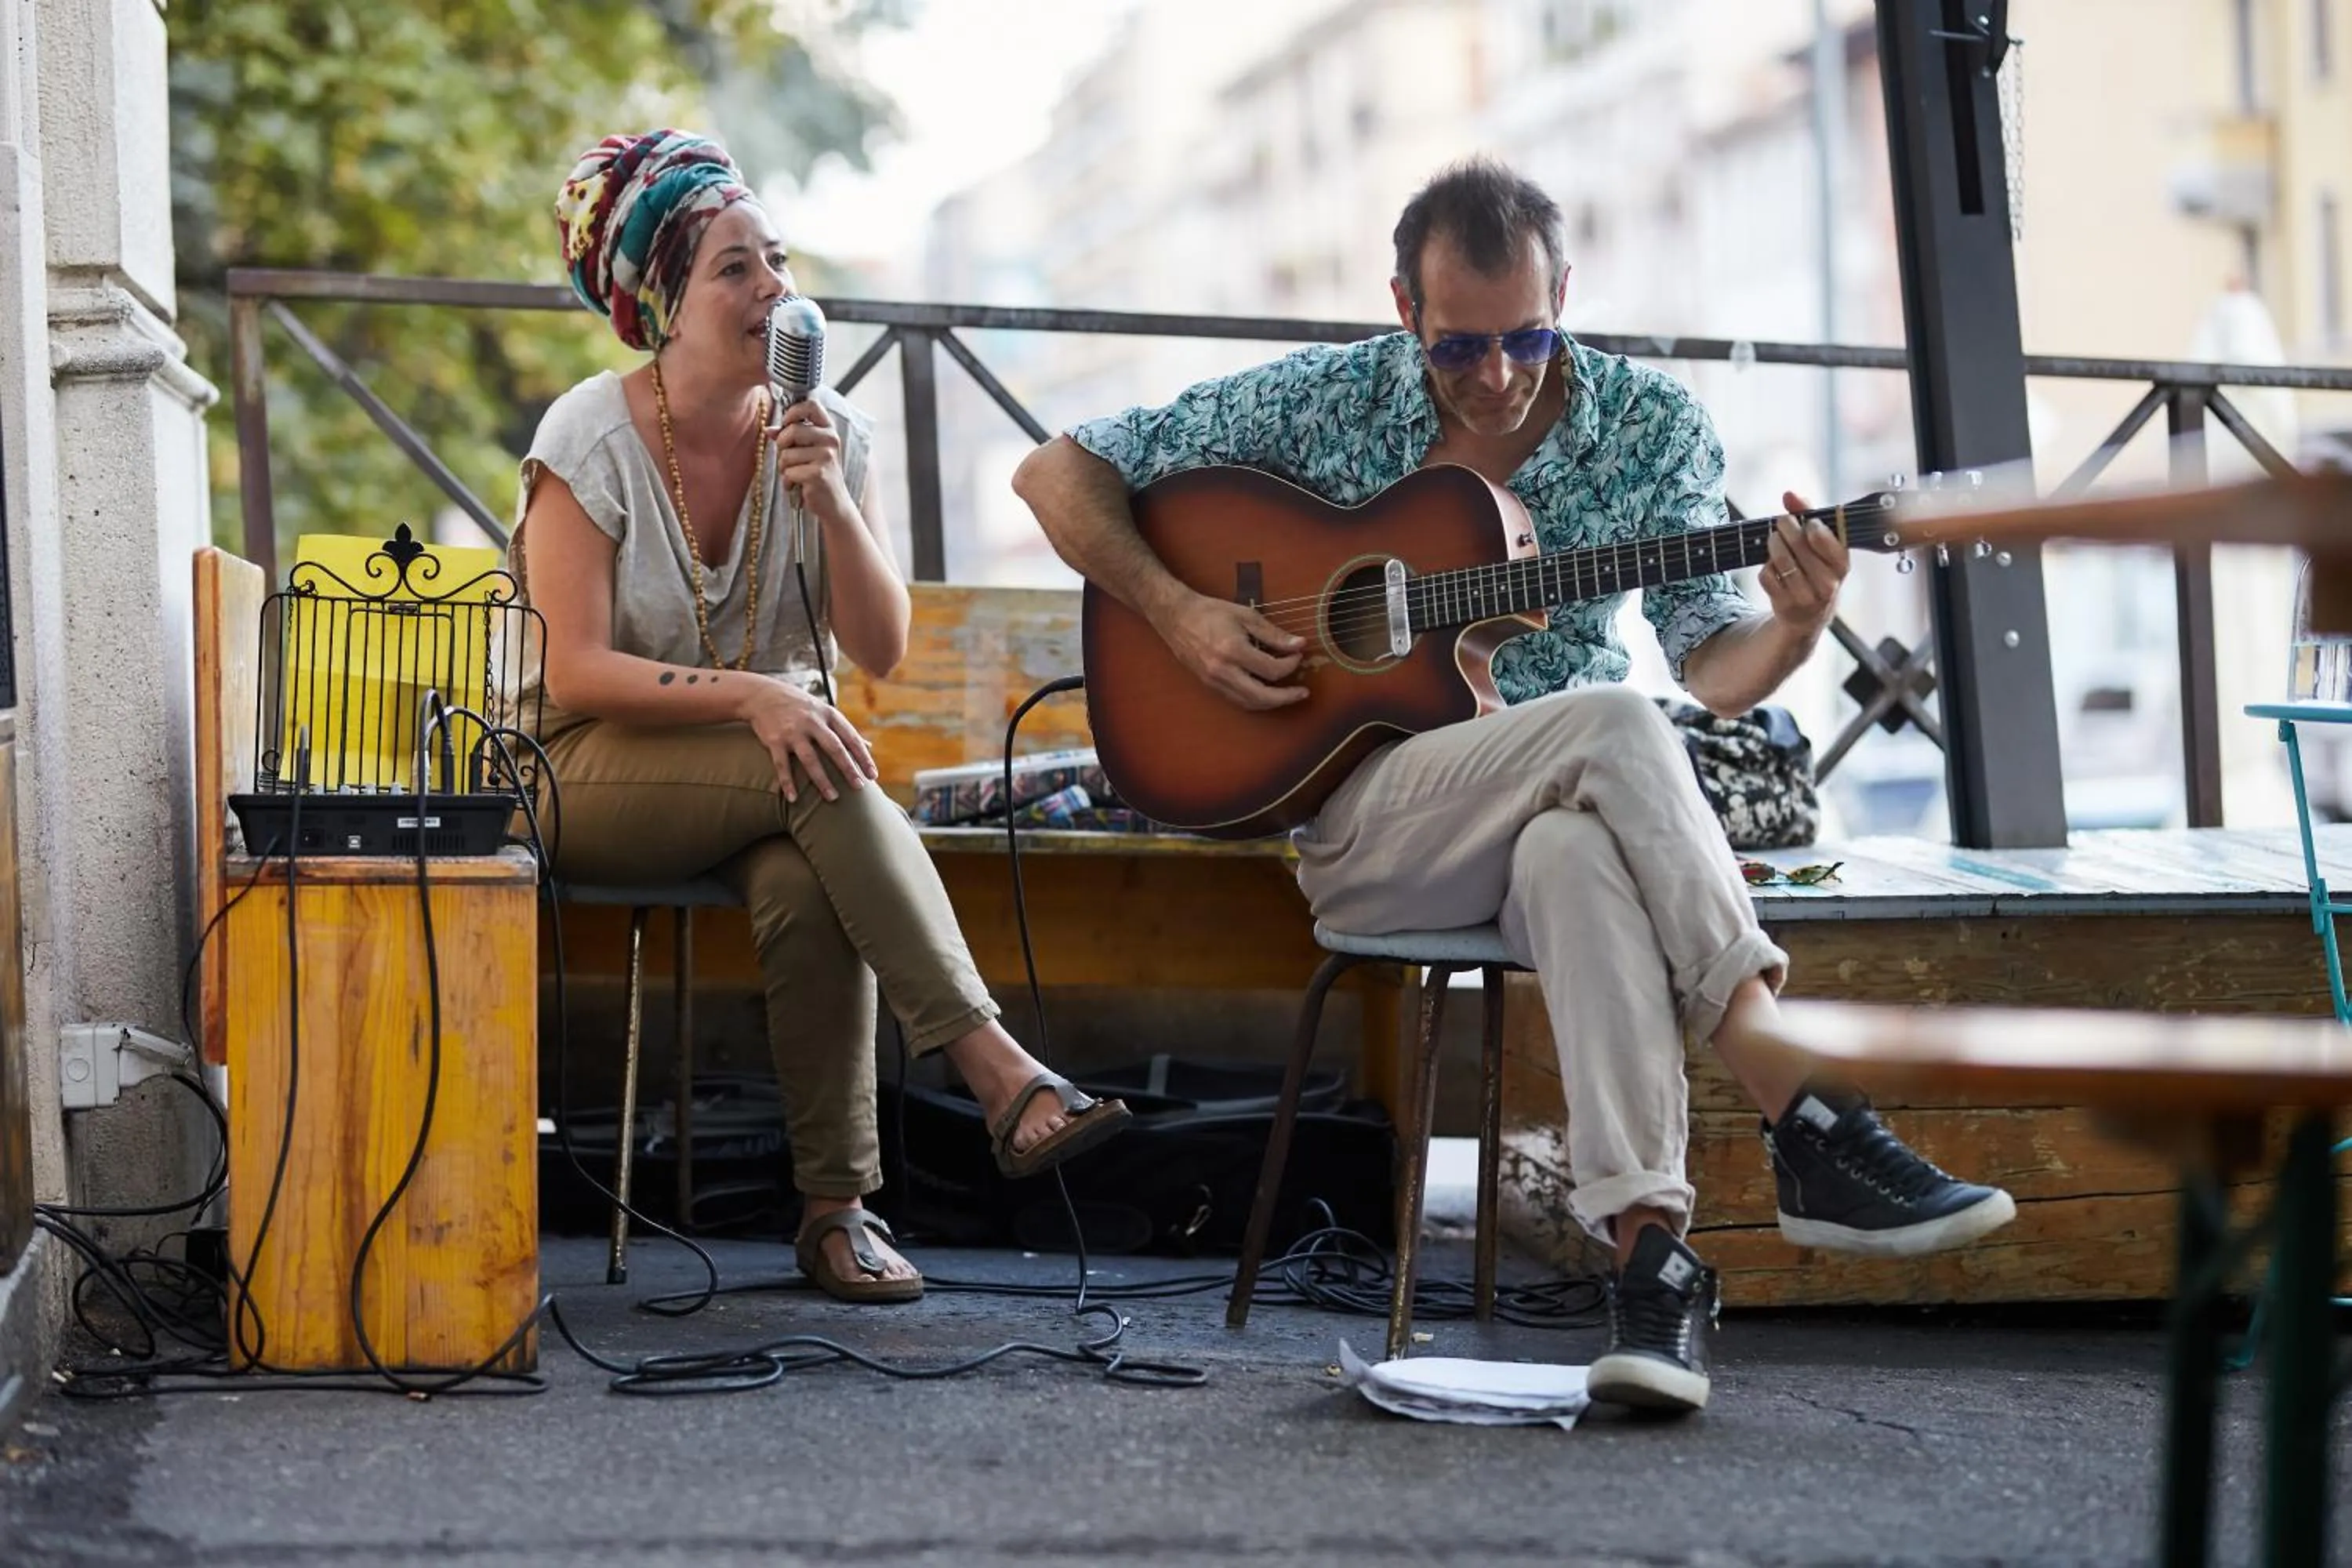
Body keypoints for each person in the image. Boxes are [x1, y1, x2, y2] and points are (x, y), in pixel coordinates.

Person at [1011, 157, 2015, 1413]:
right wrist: (1180, 614)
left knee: (1575, 853)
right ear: (1404, 312)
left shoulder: (1649, 428)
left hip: (1569, 807)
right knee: (1602, 722)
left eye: (1529, 336)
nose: (1496, 376)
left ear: (1567, 296)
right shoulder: (1327, 404)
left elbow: (1712, 668)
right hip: (1371, 825)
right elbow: (1055, 471)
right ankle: (1799, 1102)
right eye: (1459, 347)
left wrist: (1801, 629)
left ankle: (1652, 1274)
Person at [517, 129, 1128, 1304]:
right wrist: (753, 694)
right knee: (821, 766)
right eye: (735, 270)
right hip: (577, 764)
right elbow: (579, 669)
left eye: (778, 262)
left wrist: (832, 502)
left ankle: (835, 1212)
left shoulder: (829, 433)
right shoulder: (588, 436)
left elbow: (882, 648)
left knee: (808, 871)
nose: (773, 291)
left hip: (765, 770)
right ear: (663, 305)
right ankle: (997, 1072)